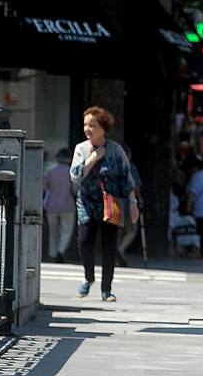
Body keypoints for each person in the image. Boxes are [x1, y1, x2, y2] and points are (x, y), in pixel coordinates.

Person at [70, 106, 136, 303]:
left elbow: (126, 178)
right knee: (84, 243)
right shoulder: (81, 149)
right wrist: (92, 158)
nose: (87, 129)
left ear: (103, 128)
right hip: (87, 203)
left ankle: (106, 289)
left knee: (109, 248)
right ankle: (88, 277)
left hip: (111, 204)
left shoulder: (116, 151)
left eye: (92, 125)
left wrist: (132, 202)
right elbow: (75, 176)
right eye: (85, 125)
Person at [43, 147, 75, 263]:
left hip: (51, 205)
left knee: (53, 231)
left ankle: (53, 253)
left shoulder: (51, 172)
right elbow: (75, 189)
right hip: (67, 204)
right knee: (66, 230)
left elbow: (45, 187)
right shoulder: (71, 172)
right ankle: (60, 251)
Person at [115, 144, 144, 266]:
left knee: (118, 231)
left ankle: (117, 256)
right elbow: (135, 185)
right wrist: (140, 198)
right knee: (132, 230)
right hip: (128, 202)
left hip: (116, 202)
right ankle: (120, 250)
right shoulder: (131, 168)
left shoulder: (114, 167)